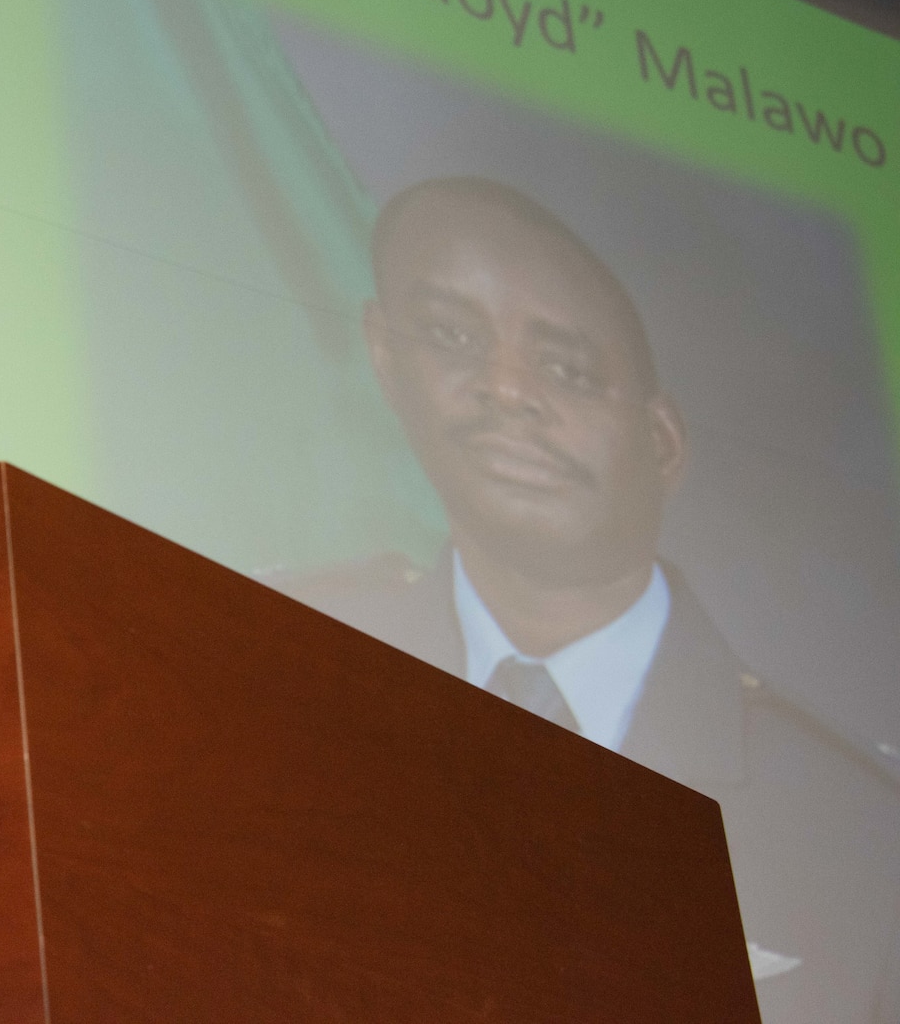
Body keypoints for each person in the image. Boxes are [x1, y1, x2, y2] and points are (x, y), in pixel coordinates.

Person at [290, 176, 900, 1024]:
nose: (504, 389)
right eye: (449, 335)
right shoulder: (278, 675)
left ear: (661, 442)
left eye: (568, 370)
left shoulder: (864, 829)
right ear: (387, 357)